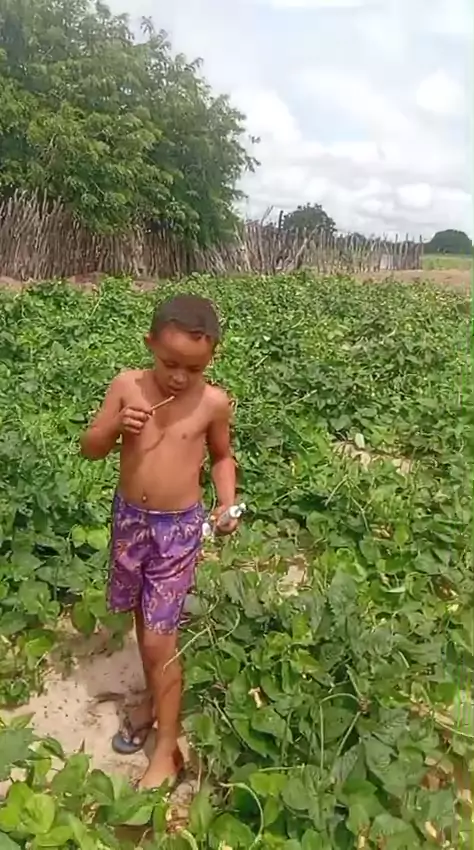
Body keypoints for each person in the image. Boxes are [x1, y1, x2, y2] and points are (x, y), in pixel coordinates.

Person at [80, 294, 237, 791]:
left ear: (210, 359)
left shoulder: (212, 403)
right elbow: (90, 448)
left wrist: (226, 501)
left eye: (194, 368)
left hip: (178, 530)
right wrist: (114, 426)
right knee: (141, 620)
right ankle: (152, 701)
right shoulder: (127, 386)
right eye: (170, 363)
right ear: (150, 344)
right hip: (130, 522)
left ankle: (167, 747)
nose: (180, 378)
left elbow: (221, 457)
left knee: (157, 639)